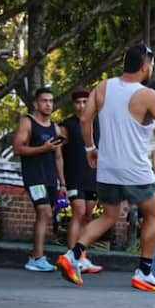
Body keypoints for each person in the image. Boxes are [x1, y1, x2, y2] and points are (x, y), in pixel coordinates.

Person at [56, 42, 155, 292]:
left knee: (109, 216)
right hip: (135, 168)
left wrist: (89, 149)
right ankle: (145, 272)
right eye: (151, 65)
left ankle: (72, 256)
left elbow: (85, 119)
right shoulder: (146, 94)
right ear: (144, 66)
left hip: (107, 166)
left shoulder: (104, 86)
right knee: (154, 214)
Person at [13, 87, 67, 272]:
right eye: (44, 101)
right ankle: (37, 257)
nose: (48, 104)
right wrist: (42, 149)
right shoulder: (27, 122)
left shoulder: (55, 127)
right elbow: (18, 149)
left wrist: (63, 183)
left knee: (47, 215)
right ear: (36, 104)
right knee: (43, 212)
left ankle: (36, 255)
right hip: (34, 176)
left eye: (51, 101)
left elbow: (59, 156)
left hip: (51, 177)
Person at [58, 88, 103, 274]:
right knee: (79, 211)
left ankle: (82, 256)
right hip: (74, 176)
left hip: (92, 176)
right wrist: (62, 181)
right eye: (78, 102)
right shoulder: (66, 125)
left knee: (88, 215)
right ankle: (71, 256)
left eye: (85, 102)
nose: (82, 105)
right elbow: (58, 155)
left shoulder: (98, 124)